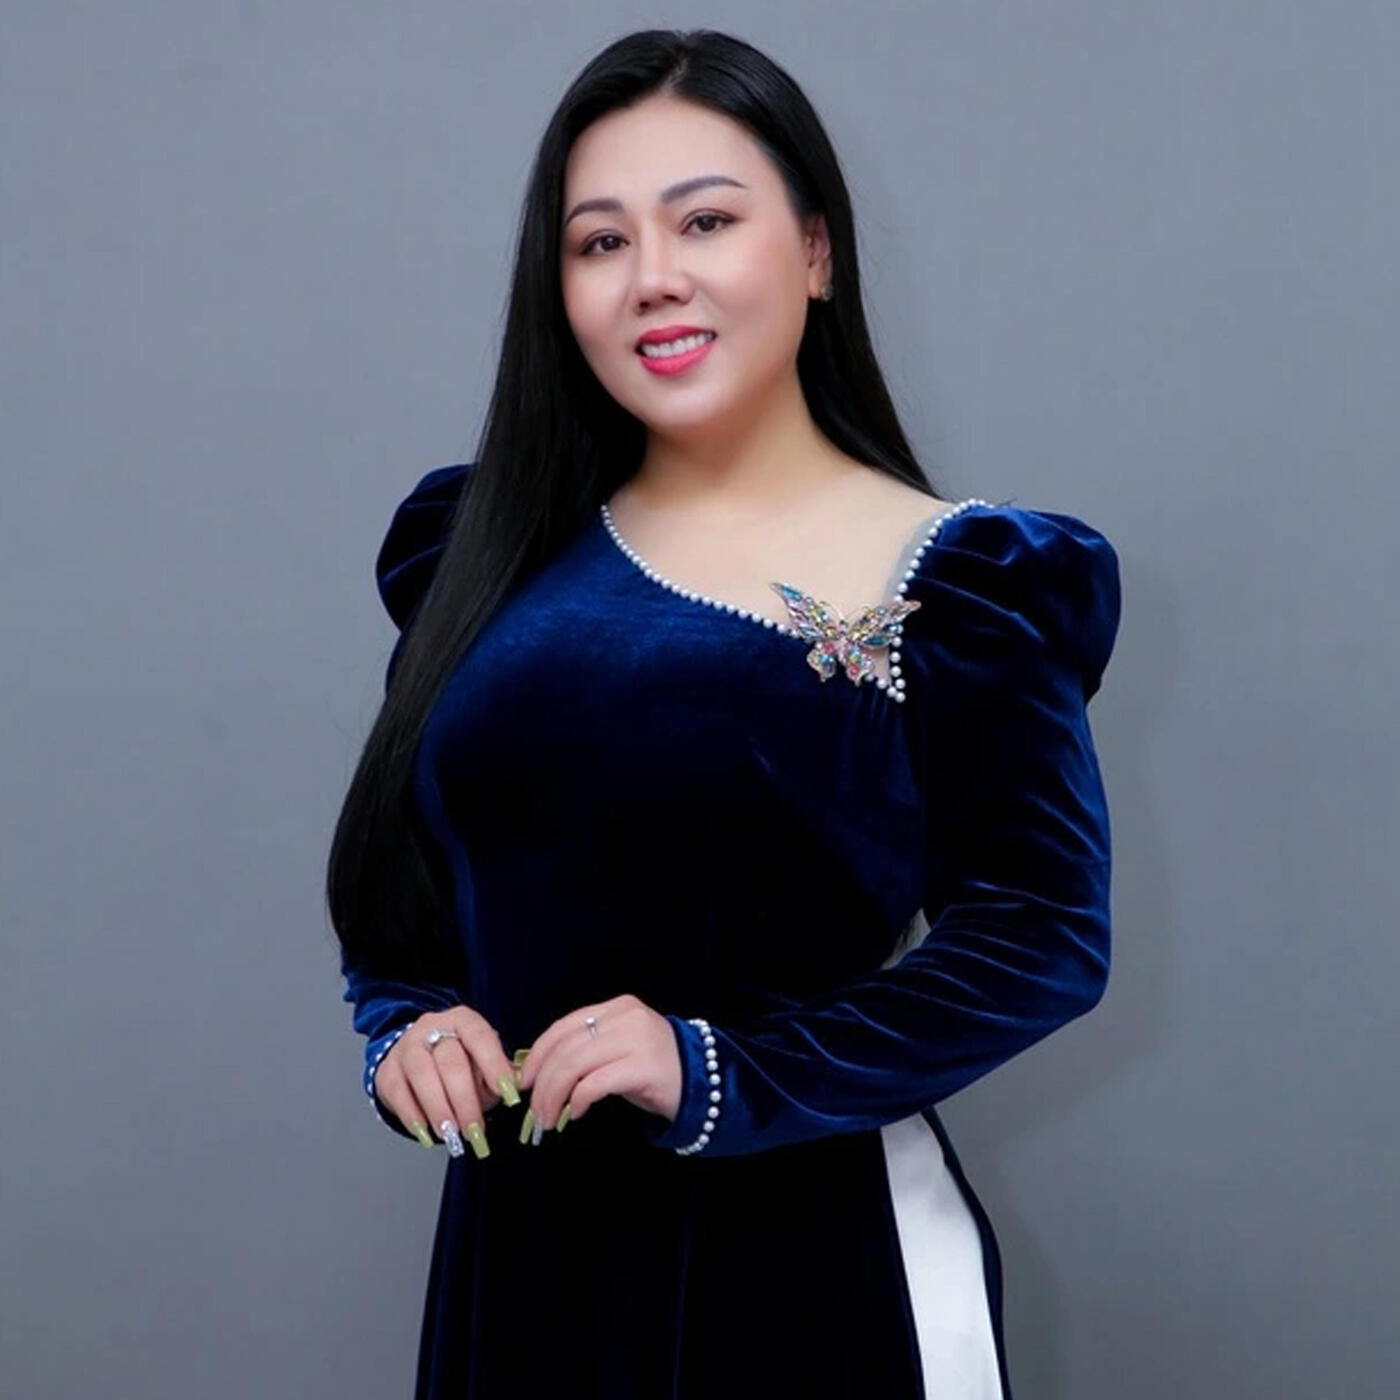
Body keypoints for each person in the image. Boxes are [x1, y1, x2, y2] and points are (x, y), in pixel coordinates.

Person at [327, 27, 1121, 1400]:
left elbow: (1041, 934)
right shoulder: (482, 550)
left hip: (812, 1260)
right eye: (600, 241)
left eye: (704, 220)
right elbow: (400, 892)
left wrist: (720, 1071)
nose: (654, 276)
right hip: (522, 1265)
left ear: (815, 252)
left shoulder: (959, 578)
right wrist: (411, 1023)